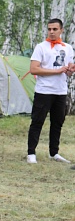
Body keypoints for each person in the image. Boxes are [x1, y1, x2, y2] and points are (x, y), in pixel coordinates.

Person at [27, 18, 75, 164]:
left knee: (57, 122)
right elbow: (33, 69)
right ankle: (31, 153)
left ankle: (54, 152)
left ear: (61, 30)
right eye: (49, 29)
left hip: (60, 91)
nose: (52, 32)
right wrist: (57, 71)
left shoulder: (67, 47)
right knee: (37, 121)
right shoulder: (41, 47)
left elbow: (68, 68)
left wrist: (70, 70)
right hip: (44, 90)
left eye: (55, 29)